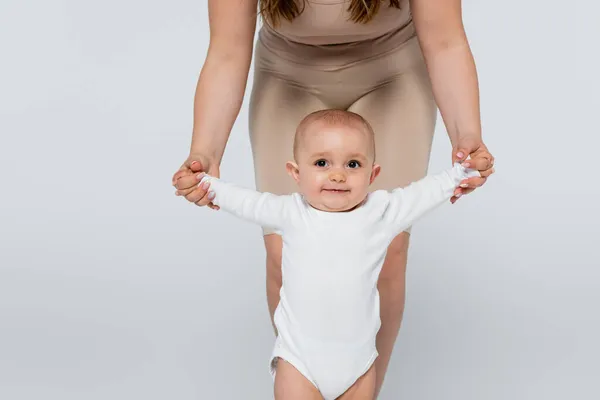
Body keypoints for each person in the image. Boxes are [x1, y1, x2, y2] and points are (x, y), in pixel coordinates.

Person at [172, 1, 495, 397]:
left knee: (387, 254)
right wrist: (205, 151)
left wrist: (467, 136)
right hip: (287, 78)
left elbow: (445, 41)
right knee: (282, 254)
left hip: (392, 76)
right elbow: (227, 49)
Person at [196, 109, 482, 399]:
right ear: (296, 173)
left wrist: (466, 170)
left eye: (353, 164)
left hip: (358, 366)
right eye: (322, 163)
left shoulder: (382, 212)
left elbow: (425, 192)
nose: (337, 174)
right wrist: (203, 184)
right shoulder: (290, 212)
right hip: (299, 362)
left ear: (373, 174)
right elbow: (246, 202)